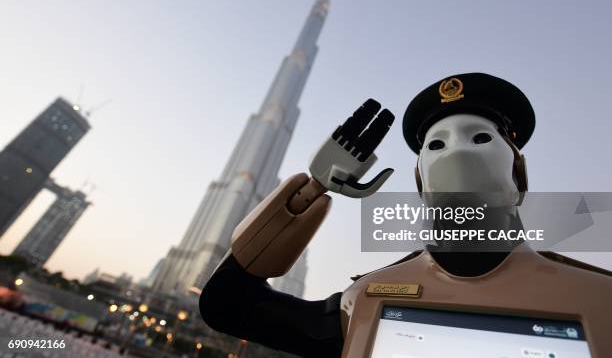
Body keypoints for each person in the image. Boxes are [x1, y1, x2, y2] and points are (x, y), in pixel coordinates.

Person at [200, 73, 612, 357]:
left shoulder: (599, 300)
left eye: (480, 138)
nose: (457, 151)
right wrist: (311, 191)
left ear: (518, 173)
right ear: (419, 185)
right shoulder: (365, 300)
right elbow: (228, 304)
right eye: (437, 144)